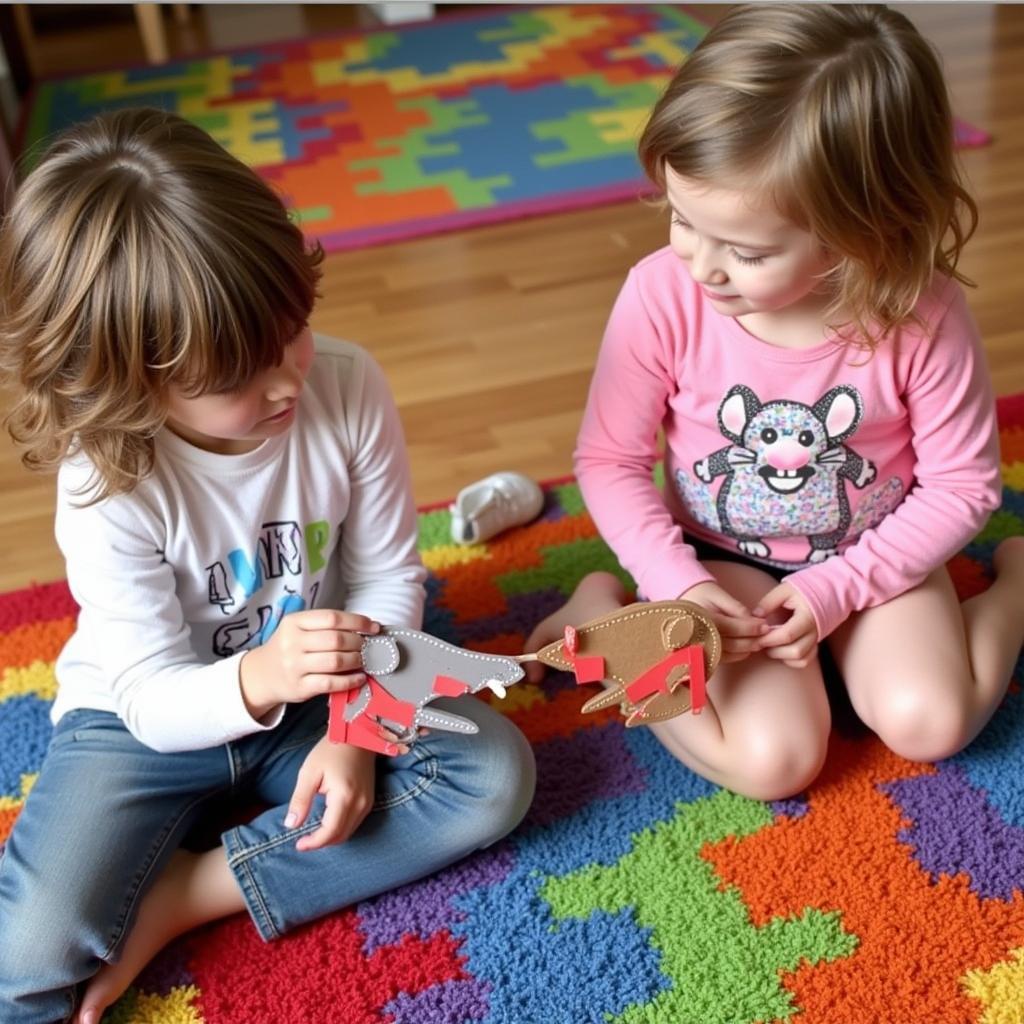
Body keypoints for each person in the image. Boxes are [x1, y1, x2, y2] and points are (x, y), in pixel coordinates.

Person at [0, 108, 535, 1024]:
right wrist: (255, 675)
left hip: (330, 692)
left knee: (492, 780)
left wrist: (353, 732)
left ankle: (186, 895)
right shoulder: (109, 475)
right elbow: (146, 692)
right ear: (130, 379)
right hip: (140, 724)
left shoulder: (348, 381)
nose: (289, 380)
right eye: (238, 374)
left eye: (293, 329)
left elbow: (385, 579)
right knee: (27, 959)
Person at [526, 3, 1024, 802]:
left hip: (873, 559)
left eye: (748, 250)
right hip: (717, 566)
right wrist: (677, 583)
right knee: (773, 765)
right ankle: (609, 619)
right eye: (682, 220)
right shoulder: (662, 295)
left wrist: (839, 589)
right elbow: (610, 459)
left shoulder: (920, 313)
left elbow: (965, 487)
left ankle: (1017, 584)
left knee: (930, 723)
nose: (702, 266)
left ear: (864, 231)